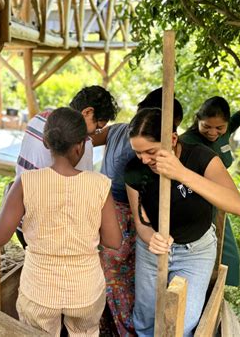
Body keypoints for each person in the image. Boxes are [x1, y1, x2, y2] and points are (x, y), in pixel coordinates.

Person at [0, 107, 122, 336]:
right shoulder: (99, 184)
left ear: (46, 142)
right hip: (85, 290)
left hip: (39, 290)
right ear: (80, 145)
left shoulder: (26, 183)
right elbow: (114, 241)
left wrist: (7, 199)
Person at [124, 108, 240, 336]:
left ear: (172, 139)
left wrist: (181, 173)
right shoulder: (134, 169)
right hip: (153, 251)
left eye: (150, 151)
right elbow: (142, 222)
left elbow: (238, 206)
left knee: (182, 325)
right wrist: (152, 238)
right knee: (146, 319)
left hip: (195, 251)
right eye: (138, 152)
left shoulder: (200, 157)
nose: (144, 159)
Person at [93, 88, 183, 336]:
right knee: (123, 279)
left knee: (111, 277)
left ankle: (109, 325)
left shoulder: (119, 129)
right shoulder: (135, 144)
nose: (144, 157)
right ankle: (124, 329)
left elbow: (88, 138)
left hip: (109, 210)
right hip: (122, 214)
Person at [180, 87, 240, 286]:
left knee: (228, 259)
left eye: (219, 128)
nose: (213, 132)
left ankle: (218, 301)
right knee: (208, 263)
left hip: (220, 206)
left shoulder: (224, 132)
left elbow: (239, 118)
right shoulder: (186, 142)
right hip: (198, 209)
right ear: (197, 120)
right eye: (207, 127)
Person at [14, 85, 119, 248]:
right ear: (88, 112)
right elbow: (81, 195)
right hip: (50, 233)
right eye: (98, 127)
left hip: (21, 223)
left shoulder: (40, 118)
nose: (94, 134)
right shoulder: (82, 144)